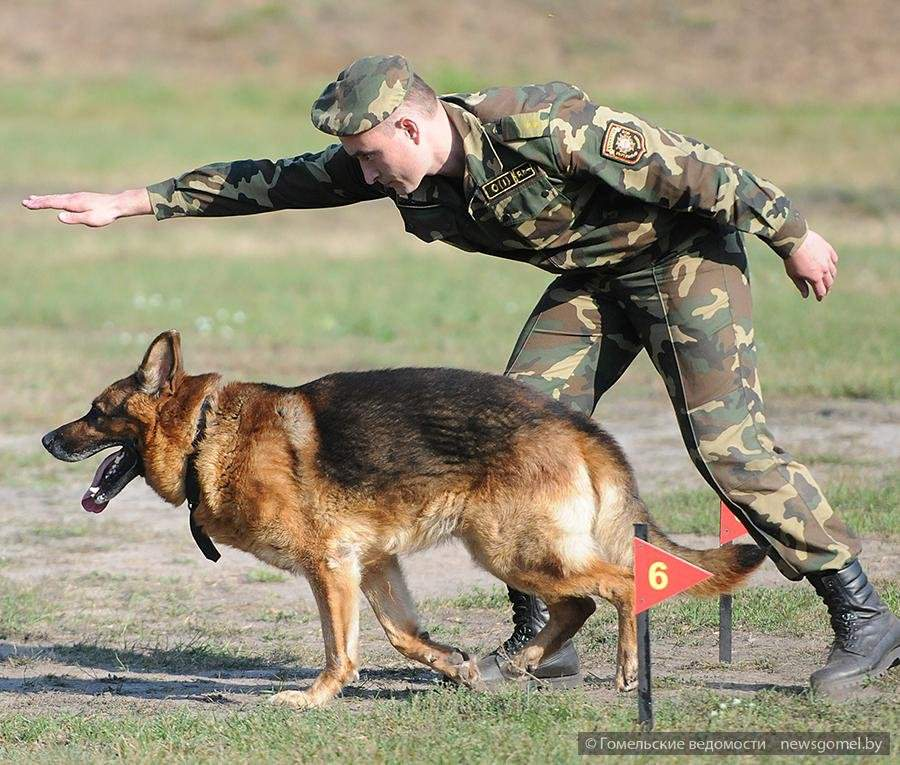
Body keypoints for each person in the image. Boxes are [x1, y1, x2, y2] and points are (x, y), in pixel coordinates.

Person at [23, 54, 898, 698]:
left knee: (725, 446)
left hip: (678, 259)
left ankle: (859, 613)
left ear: (411, 124)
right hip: (593, 279)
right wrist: (131, 201)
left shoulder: (541, 123)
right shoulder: (397, 165)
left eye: (371, 157)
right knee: (518, 431)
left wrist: (792, 233)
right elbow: (272, 182)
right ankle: (546, 633)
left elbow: (695, 167)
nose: (366, 176)